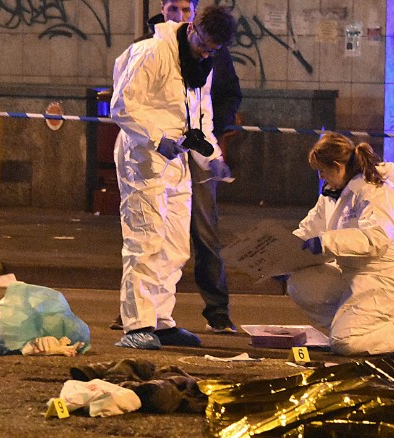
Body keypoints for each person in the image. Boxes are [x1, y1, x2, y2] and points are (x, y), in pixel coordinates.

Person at [110, 5, 237, 350]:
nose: (208, 54)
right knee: (146, 239)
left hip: (176, 158)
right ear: (192, 28)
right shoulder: (151, 52)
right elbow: (122, 106)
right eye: (205, 46)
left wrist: (213, 159)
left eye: (214, 50)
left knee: (176, 245)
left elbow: (201, 119)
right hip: (143, 157)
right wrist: (155, 139)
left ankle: (162, 321)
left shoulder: (200, 64)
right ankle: (137, 325)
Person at [287, 132, 394, 357]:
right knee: (299, 283)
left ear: (338, 166)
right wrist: (280, 258)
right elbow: (307, 230)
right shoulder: (332, 196)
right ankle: (354, 324)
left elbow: (375, 239)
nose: (321, 177)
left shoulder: (375, 192)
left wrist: (325, 242)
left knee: (346, 343)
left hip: (389, 276)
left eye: (322, 170)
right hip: (357, 274)